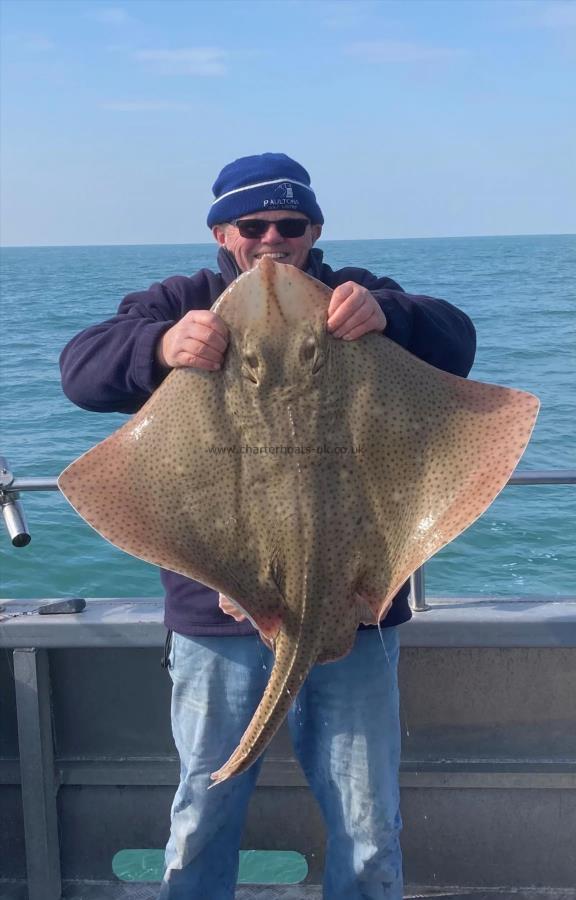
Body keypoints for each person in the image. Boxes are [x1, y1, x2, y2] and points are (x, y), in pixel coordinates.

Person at [60, 152, 476, 900]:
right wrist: (157, 348)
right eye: (254, 225)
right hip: (216, 611)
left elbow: (457, 341)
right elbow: (80, 370)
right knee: (204, 809)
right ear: (223, 233)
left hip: (358, 601)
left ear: (314, 229)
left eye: (292, 224)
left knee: (368, 821)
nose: (273, 239)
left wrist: (395, 317)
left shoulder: (357, 296)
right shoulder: (180, 300)